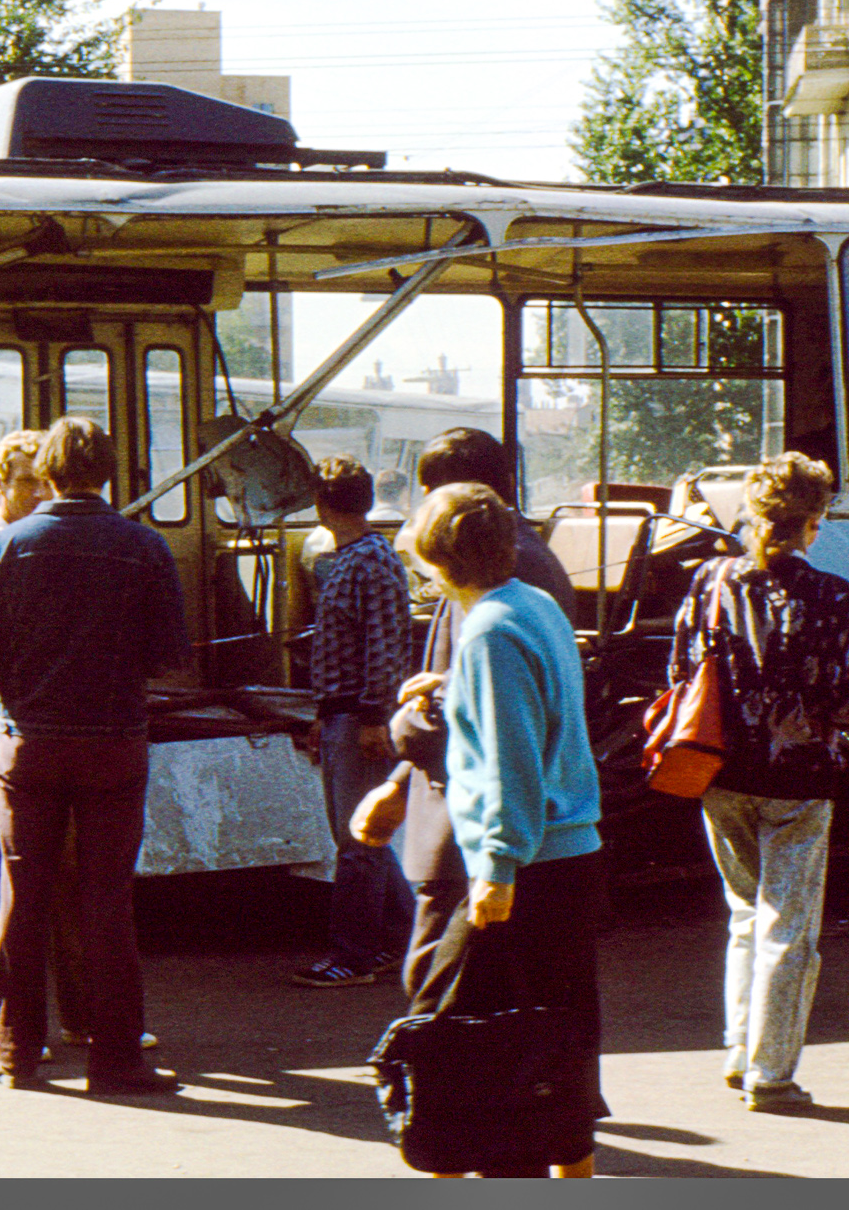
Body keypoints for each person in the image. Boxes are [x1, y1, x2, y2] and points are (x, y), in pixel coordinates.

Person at [368, 481, 604, 1178]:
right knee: (553, 1035)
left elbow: (509, 754)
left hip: (521, 865)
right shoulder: (530, 605)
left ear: (439, 564)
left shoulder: (489, 632)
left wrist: (497, 865)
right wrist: (444, 688)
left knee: (456, 1036)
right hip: (569, 855)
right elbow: (532, 709)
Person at [0, 416, 188, 1096]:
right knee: (107, 900)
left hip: (28, 745)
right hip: (114, 744)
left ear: (49, 471)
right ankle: (115, 1058)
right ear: (108, 471)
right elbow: (169, 656)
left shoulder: (5, 545)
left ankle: (15, 1054)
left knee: (22, 895)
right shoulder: (144, 548)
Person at [0, 430, 140, 1058]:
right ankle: (6, 1028)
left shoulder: (47, 540)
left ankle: (81, 1016)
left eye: (44, 479)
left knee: (66, 877)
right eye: (24, 481)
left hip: (35, 730)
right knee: (6, 878)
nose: (38, 492)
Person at [670, 454, 849, 1110]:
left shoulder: (709, 581)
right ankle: (771, 1071)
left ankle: (738, 1049)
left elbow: (679, 669)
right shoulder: (835, 595)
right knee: (790, 927)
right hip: (799, 782)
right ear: (814, 522)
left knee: (744, 914)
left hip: (720, 772)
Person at [376, 428, 575, 1000]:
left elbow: (507, 739)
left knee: (441, 993)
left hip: (471, 827)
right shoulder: (518, 578)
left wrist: (405, 730)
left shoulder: (491, 600)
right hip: (480, 823)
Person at [290, 455, 414, 988]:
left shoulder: (368, 562)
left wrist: (369, 718)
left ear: (322, 504)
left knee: (357, 843)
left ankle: (355, 954)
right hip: (342, 712)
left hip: (359, 717)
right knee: (365, 837)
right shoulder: (354, 558)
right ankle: (412, 939)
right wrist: (328, 714)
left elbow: (383, 649)